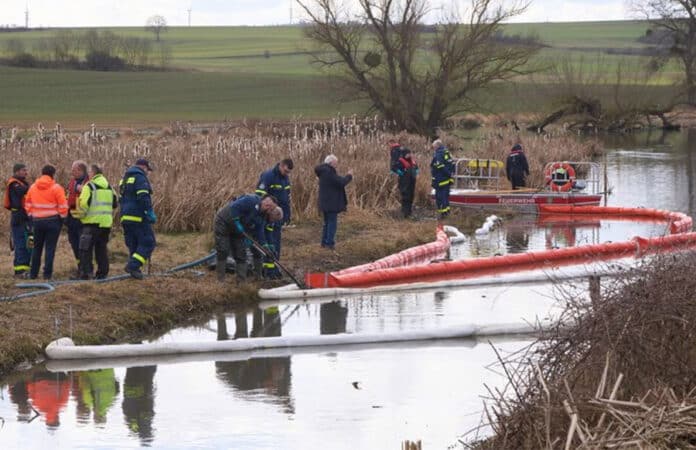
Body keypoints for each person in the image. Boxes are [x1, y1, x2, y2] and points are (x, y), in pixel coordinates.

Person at [214, 194, 283, 283]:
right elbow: (234, 207)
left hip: (239, 231)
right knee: (223, 250)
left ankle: (241, 282)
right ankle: (220, 280)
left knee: (241, 254)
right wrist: (236, 221)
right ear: (267, 205)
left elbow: (260, 232)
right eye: (271, 209)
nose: (271, 211)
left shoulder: (263, 216)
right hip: (224, 223)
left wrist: (265, 246)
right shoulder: (250, 200)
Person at [24, 164, 68, 280]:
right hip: (53, 222)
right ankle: (47, 275)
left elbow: (27, 203)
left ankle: (33, 274)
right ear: (53, 174)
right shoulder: (56, 188)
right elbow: (63, 206)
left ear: (42, 173)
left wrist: (31, 215)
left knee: (36, 248)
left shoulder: (33, 187)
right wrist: (62, 219)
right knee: (50, 248)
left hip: (37, 221)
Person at [75, 164, 117, 280]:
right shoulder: (109, 187)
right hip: (106, 224)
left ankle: (86, 274)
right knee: (101, 249)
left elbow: (83, 205)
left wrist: (80, 217)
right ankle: (102, 273)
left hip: (91, 223)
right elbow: (115, 203)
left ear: (92, 173)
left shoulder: (89, 186)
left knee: (85, 249)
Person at [255, 158, 293, 279]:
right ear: (281, 165)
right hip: (268, 217)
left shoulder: (285, 179)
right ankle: (267, 271)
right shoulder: (268, 176)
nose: (287, 174)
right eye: (286, 171)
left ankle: (275, 268)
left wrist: (287, 215)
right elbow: (259, 195)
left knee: (276, 243)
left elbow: (287, 199)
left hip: (278, 216)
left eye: (289, 172)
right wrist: (266, 213)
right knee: (268, 242)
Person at [119, 158, 156, 280]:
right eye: (147, 170)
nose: (148, 173)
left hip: (125, 217)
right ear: (144, 167)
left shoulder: (125, 178)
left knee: (133, 244)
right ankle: (133, 266)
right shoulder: (140, 177)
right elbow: (143, 196)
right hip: (138, 217)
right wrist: (149, 211)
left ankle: (135, 271)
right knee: (148, 242)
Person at [315, 154, 353, 250]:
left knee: (327, 222)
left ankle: (324, 243)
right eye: (336, 162)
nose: (337, 164)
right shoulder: (328, 172)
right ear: (331, 162)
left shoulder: (323, 171)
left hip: (325, 202)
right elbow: (341, 182)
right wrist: (349, 175)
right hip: (331, 203)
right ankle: (329, 244)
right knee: (332, 223)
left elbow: (336, 181)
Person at [4, 163, 31, 278]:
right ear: (17, 171)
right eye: (24, 170)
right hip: (18, 217)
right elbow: (21, 192)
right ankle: (19, 271)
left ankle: (25, 269)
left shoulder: (23, 183)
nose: (26, 172)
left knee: (28, 243)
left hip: (26, 217)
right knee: (20, 243)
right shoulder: (14, 183)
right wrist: (33, 187)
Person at [66, 160, 89, 274]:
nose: (72, 172)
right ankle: (80, 266)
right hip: (72, 218)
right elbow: (68, 197)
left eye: (74, 170)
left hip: (83, 219)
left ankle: (86, 268)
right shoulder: (72, 182)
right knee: (73, 242)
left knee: (83, 245)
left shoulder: (89, 183)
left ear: (81, 170)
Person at [430, 139, 454, 219]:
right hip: (446, 179)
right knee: (446, 196)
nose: (433, 148)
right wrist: (449, 175)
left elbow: (438, 166)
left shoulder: (439, 154)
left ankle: (442, 215)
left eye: (434, 147)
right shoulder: (446, 152)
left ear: (437, 146)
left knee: (440, 197)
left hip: (440, 179)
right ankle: (447, 212)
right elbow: (451, 164)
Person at [395, 148, 419, 218]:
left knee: (411, 197)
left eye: (409, 153)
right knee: (406, 197)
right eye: (408, 153)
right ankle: (405, 213)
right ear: (404, 154)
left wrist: (417, 172)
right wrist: (400, 172)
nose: (409, 155)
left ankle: (409, 212)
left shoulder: (413, 161)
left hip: (412, 181)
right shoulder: (400, 161)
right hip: (404, 182)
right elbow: (395, 168)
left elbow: (416, 168)